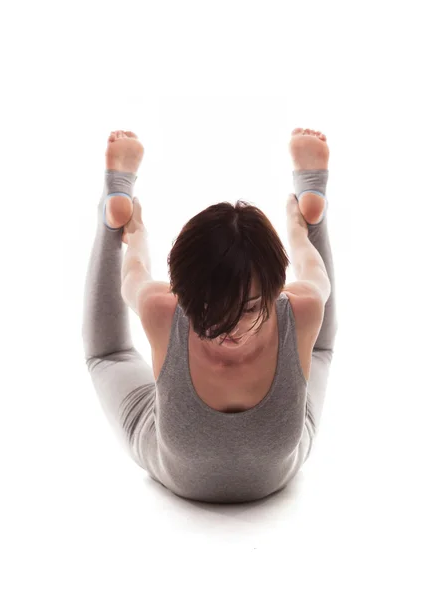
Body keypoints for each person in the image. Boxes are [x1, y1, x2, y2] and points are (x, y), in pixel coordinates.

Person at [81, 128, 338, 503]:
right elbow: (314, 272)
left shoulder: (160, 307)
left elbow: (133, 272)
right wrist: (303, 230)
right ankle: (312, 198)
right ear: (182, 294)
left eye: (248, 307)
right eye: (209, 308)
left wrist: (130, 231)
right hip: (279, 471)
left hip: (175, 470)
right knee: (318, 343)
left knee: (108, 354)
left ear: (276, 290)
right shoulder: (302, 306)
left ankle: (112, 205)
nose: (228, 328)